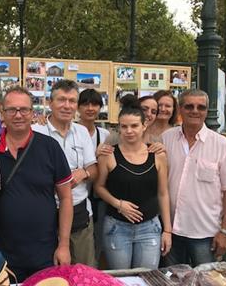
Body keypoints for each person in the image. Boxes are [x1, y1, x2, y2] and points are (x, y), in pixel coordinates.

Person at [0, 86, 73, 282]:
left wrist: (64, 245)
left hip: (44, 251)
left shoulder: (50, 147)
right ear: (2, 114)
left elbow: (66, 198)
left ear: (32, 113)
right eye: (11, 110)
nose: (18, 115)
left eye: (24, 109)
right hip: (2, 252)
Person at [162, 89, 226, 267]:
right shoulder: (166, 139)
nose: (195, 111)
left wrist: (225, 232)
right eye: (189, 106)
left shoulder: (223, 146)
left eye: (201, 107)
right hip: (171, 230)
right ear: (180, 109)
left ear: (207, 111)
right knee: (172, 280)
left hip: (205, 234)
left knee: (206, 280)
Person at [94, 95, 172, 270]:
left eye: (134, 126)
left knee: (146, 278)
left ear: (144, 126)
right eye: (124, 126)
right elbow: (99, 187)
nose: (129, 131)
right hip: (117, 227)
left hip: (150, 226)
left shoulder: (158, 154)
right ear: (119, 129)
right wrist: (118, 203)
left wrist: (167, 230)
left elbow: (163, 193)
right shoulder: (109, 154)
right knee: (121, 279)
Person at [32, 80, 98, 267]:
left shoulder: (82, 131)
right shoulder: (35, 131)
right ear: (50, 103)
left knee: (83, 271)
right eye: (61, 100)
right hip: (45, 212)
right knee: (48, 271)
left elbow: (94, 169)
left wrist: (83, 173)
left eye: (72, 101)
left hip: (79, 213)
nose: (67, 106)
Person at [76, 88, 110, 263]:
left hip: (97, 197)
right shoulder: (72, 131)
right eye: (85, 104)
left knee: (96, 242)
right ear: (78, 107)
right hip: (76, 196)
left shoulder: (104, 135)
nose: (90, 108)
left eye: (95, 104)